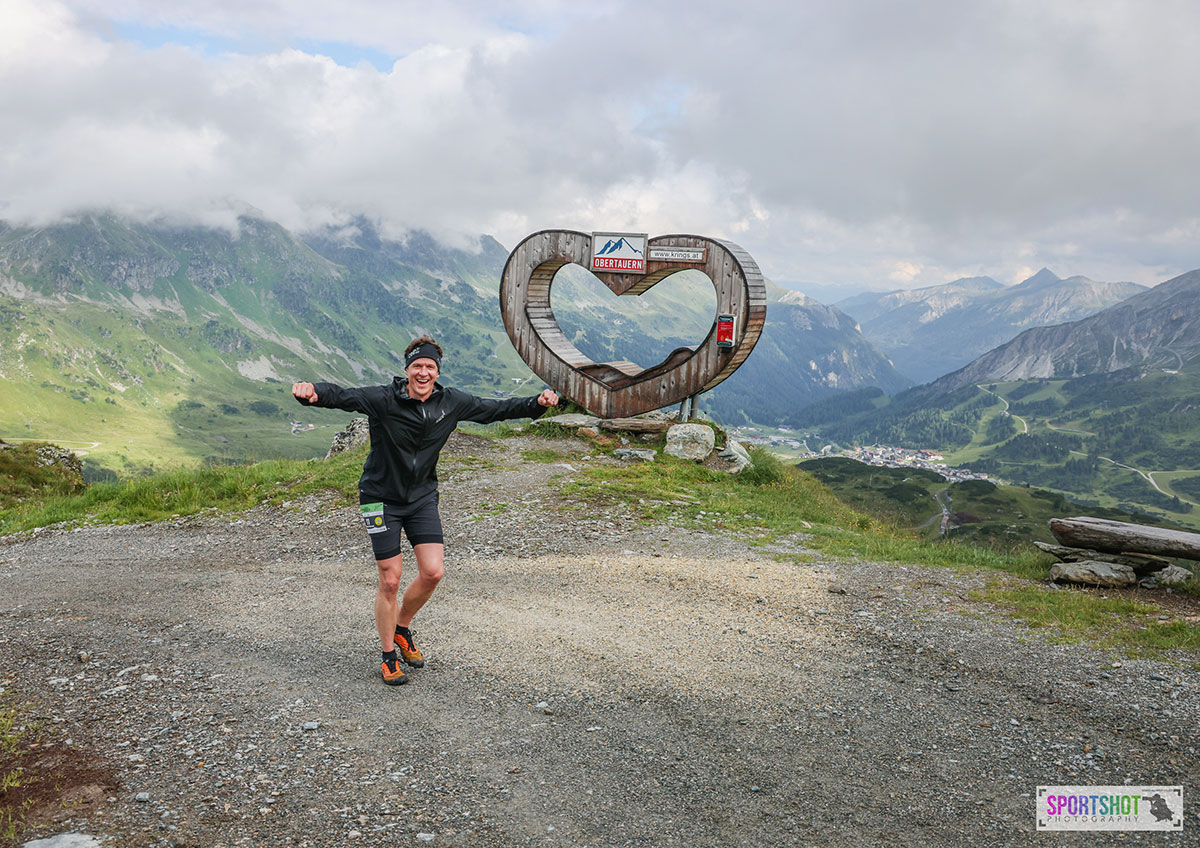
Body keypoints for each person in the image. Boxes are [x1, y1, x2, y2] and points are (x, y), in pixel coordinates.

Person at [292, 335, 558, 685]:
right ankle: (388, 655)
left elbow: (496, 409)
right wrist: (313, 392)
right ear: (407, 370)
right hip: (378, 498)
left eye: (430, 366)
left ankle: (402, 628)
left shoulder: (452, 403)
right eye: (417, 365)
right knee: (390, 579)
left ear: (436, 372)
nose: (423, 372)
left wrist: (537, 403)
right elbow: (345, 396)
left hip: (420, 498)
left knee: (433, 572)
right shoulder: (384, 399)